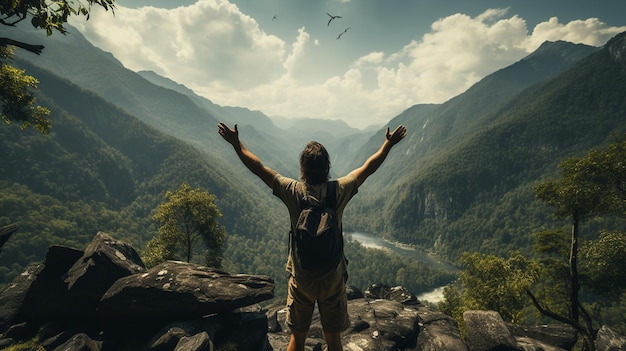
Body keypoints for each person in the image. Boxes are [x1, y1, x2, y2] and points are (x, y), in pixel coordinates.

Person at [217, 122, 407, 351]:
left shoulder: (293, 191)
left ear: (303, 168)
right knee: (334, 342)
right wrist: (388, 144)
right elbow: (368, 167)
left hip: (302, 278)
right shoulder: (339, 190)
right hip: (333, 279)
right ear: (327, 167)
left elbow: (258, 168)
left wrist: (236, 144)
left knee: (297, 340)